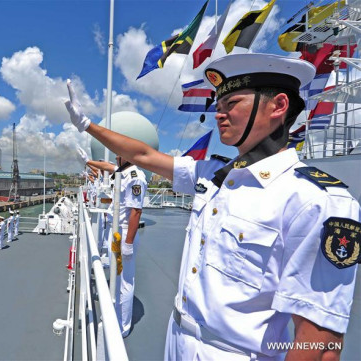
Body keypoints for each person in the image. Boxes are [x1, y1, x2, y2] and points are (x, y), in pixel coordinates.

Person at [64, 53, 361, 360]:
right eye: (218, 107)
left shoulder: (315, 200)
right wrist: (87, 125)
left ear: (279, 106)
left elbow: (320, 340)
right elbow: (142, 155)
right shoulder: (213, 175)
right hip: (177, 339)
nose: (220, 114)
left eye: (231, 103)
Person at [77, 147, 147, 337]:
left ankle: (122, 327)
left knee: (125, 281)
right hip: (115, 232)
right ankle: (115, 316)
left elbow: (136, 212)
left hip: (125, 234)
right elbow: (105, 166)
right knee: (116, 277)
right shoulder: (122, 171)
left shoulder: (135, 176)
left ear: (129, 155)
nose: (116, 157)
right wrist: (87, 161)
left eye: (119, 153)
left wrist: (128, 243)